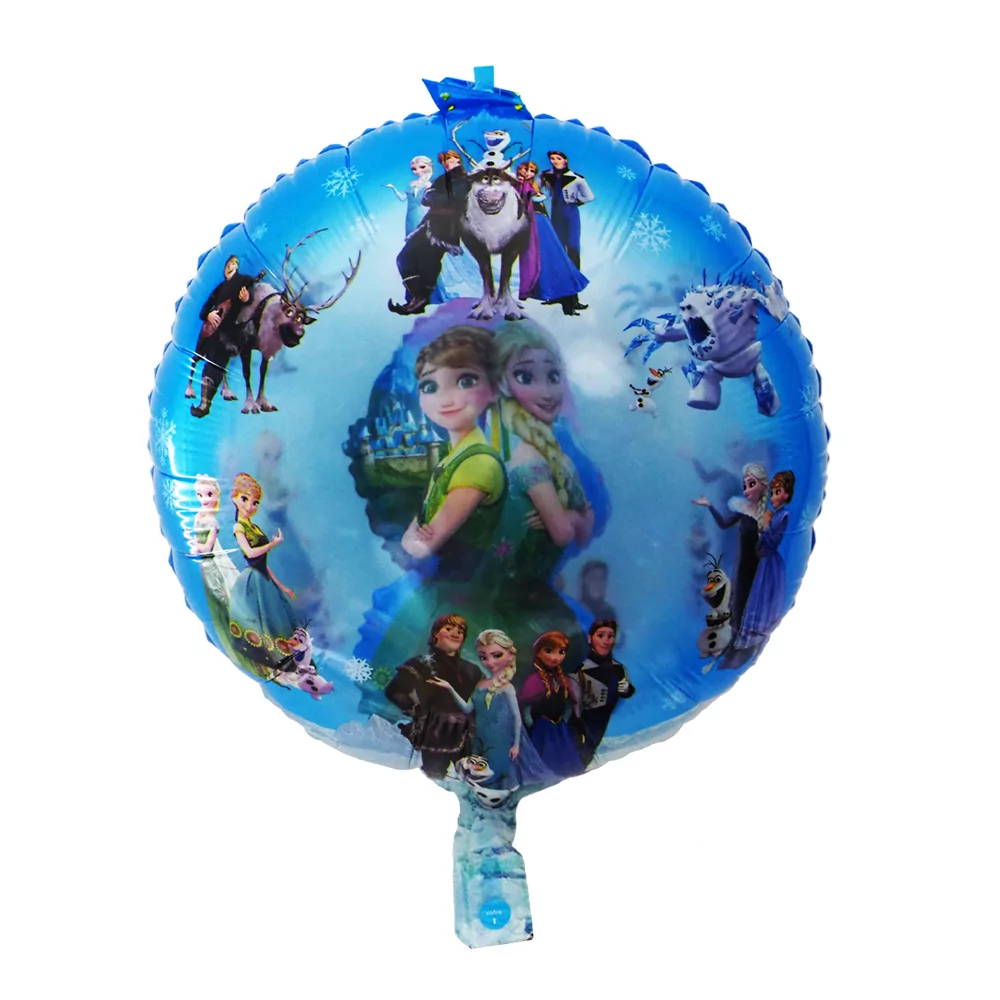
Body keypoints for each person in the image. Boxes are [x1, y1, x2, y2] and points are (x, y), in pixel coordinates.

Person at [482, 321, 595, 666]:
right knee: (567, 655)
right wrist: (572, 517)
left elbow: (582, 529)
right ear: (503, 383)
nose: (547, 392)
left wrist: (573, 519)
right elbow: (565, 533)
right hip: (514, 599)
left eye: (554, 376)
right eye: (526, 377)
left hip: (532, 590)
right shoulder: (528, 457)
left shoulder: (550, 452)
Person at [427, 629, 554, 790]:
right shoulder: (480, 685)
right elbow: (467, 709)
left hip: (501, 740)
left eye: (496, 655)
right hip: (480, 738)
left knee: (495, 775)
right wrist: (449, 688)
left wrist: (516, 745)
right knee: (478, 774)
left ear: (510, 655)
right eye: (483, 657)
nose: (490, 662)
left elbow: (516, 717)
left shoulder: (507, 688)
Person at [384, 614, 482, 778]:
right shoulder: (420, 664)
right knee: (428, 778)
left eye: (460, 631)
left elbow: (482, 701)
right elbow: (394, 691)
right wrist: (418, 711)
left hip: (464, 739)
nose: (455, 634)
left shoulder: (472, 670)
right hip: (430, 737)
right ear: (436, 633)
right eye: (449, 629)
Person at [227, 472, 301, 679]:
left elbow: (264, 563)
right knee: (263, 623)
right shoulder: (239, 527)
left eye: (255, 502)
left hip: (265, 578)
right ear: (234, 497)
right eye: (244, 499)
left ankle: (290, 663)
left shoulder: (254, 527)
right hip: (254, 581)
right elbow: (250, 554)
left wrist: (282, 586)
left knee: (279, 621)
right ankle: (273, 663)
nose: (250, 506)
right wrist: (272, 544)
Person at [692, 463, 770, 644]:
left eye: (751, 485)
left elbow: (771, 540)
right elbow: (723, 524)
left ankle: (745, 636)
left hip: (757, 563)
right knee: (738, 598)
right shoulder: (743, 511)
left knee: (750, 598)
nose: (747, 490)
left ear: (762, 486)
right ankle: (735, 637)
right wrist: (709, 506)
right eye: (745, 486)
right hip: (742, 563)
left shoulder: (766, 515)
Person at [388, 150, 472, 315]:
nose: (448, 164)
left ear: (459, 161)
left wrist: (436, 196)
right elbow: (426, 200)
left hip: (445, 227)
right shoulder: (442, 180)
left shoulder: (464, 180)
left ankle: (419, 300)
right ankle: (418, 299)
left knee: (426, 262)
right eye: (445, 162)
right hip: (429, 223)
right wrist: (436, 196)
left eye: (452, 161)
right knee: (405, 258)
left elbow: (452, 199)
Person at [187, 255, 264, 417]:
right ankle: (204, 404)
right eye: (228, 264)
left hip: (230, 332)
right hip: (213, 331)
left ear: (237, 267)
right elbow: (204, 310)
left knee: (217, 362)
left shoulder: (244, 280)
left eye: (234, 264)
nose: (230, 267)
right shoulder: (219, 288)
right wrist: (208, 315)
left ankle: (206, 404)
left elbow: (248, 300)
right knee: (210, 364)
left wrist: (247, 298)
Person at [513, 161, 589, 315]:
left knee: (557, 258)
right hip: (533, 224)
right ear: (519, 170)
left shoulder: (533, 184)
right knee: (548, 259)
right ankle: (562, 298)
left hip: (543, 222)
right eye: (526, 169)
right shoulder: (517, 185)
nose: (528, 173)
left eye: (532, 171)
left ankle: (569, 299)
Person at [734, 470, 795, 650]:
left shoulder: (782, 516)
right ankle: (748, 635)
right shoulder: (776, 515)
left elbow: (769, 541)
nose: (773, 497)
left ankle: (752, 636)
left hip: (769, 562)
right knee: (758, 596)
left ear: (786, 494)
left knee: (761, 597)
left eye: (777, 492)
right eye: (773, 492)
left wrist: (766, 526)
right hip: (765, 560)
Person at [187, 474, 241, 657]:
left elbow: (208, 547)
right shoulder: (198, 516)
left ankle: (233, 629)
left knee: (222, 592)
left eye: (209, 494)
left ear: (217, 495)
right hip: (205, 563)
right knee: (214, 595)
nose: (204, 499)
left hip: (213, 561)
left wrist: (196, 547)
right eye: (200, 495)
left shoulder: (213, 522)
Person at [518, 631, 584, 778]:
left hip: (560, 728)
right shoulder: (533, 680)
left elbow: (570, 703)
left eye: (561, 652)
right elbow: (525, 705)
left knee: (568, 763)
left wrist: (565, 719)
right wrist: (530, 724)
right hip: (541, 729)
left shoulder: (562, 679)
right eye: (549, 651)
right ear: (538, 653)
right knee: (543, 761)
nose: (556, 657)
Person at [539, 151, 594, 315]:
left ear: (565, 160)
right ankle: (558, 294)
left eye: (558, 158)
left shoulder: (576, 178)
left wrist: (573, 201)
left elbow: (589, 197)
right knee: (557, 253)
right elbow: (537, 188)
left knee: (573, 253)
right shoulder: (547, 175)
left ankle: (572, 299)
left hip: (570, 216)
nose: (555, 161)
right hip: (554, 215)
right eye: (552, 159)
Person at [575, 620, 634, 767]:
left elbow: (627, 691)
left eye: (610, 636)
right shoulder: (580, 668)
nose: (605, 641)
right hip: (580, 723)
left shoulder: (618, 669)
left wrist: (626, 689)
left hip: (601, 724)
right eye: (600, 636)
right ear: (590, 638)